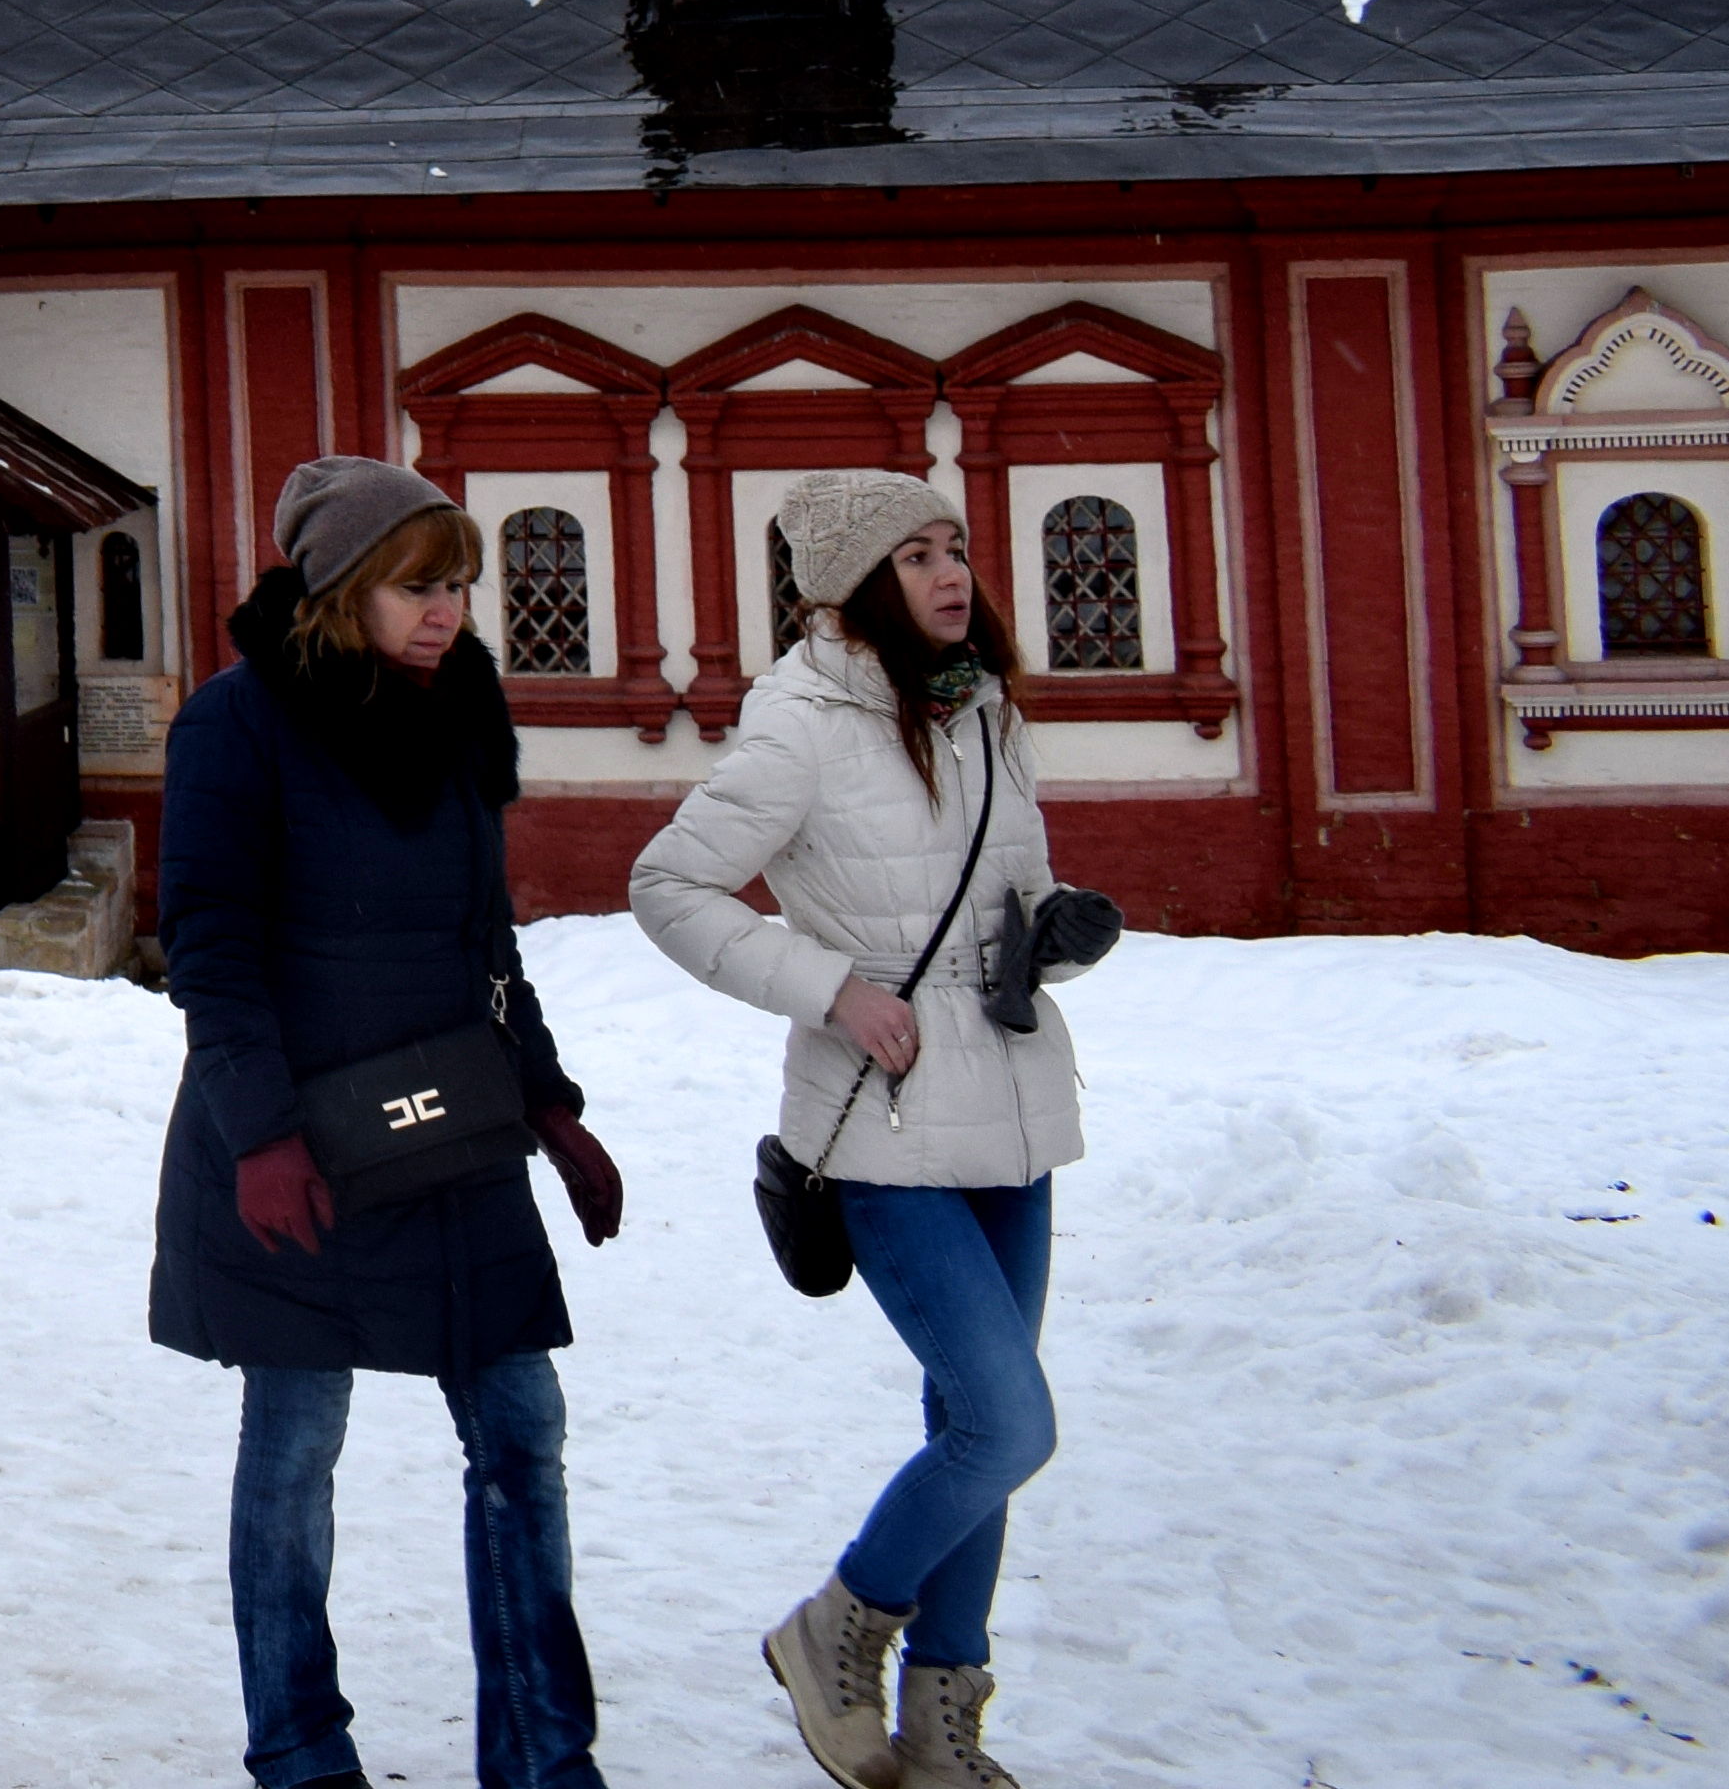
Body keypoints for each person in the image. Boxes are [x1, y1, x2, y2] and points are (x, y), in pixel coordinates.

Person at [153, 454, 627, 1789]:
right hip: (300, 1146)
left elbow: (487, 941)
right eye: (423, 585)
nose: (451, 611)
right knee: (296, 1450)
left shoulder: (455, 717)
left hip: (454, 1133)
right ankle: (300, 1746)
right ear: (344, 587)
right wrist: (260, 1136)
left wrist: (548, 1098)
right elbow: (212, 946)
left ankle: (544, 1754)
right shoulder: (234, 727)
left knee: (523, 1428)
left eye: (461, 584)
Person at [633, 473, 1095, 1789]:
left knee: (973, 1423)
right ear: (853, 586)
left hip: (1009, 1109)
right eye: (916, 555)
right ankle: (839, 1622)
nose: (953, 574)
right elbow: (666, 884)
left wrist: (1056, 929)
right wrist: (830, 987)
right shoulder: (803, 724)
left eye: (956, 548)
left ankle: (945, 1725)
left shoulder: (982, 708)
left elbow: (1007, 887)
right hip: (883, 1128)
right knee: (1008, 1425)